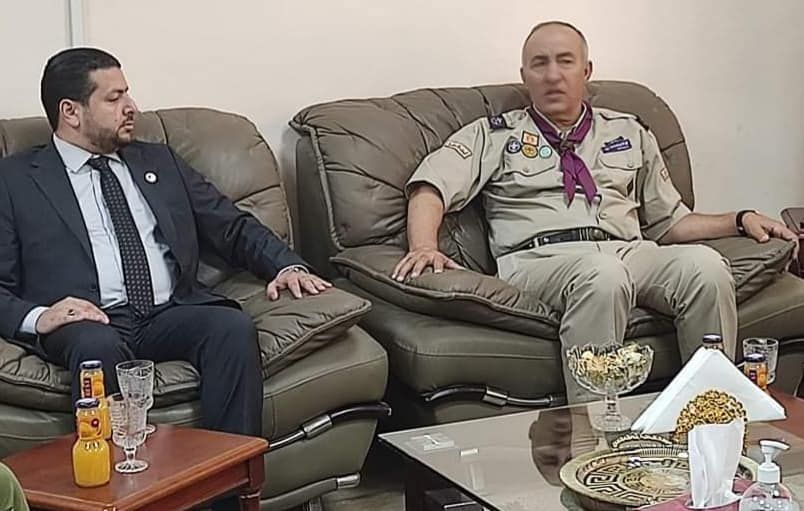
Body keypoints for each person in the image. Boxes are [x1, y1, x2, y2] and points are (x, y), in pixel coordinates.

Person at [392, 21, 797, 403]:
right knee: (603, 275)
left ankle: (708, 416)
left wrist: (739, 219)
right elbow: (430, 187)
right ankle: (595, 432)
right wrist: (424, 245)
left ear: (586, 70)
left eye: (565, 61)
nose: (553, 75)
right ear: (524, 76)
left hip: (628, 251)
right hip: (539, 260)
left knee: (705, 267)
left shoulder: (629, 131)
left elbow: (670, 222)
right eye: (540, 64)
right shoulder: (496, 134)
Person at [0, 48, 331, 442]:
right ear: (70, 112)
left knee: (231, 327)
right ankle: (119, 478)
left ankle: (232, 474)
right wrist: (39, 317)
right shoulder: (15, 180)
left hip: (167, 312)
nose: (131, 107)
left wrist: (286, 265)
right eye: (114, 98)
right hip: (89, 323)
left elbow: (230, 224)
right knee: (95, 347)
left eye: (127, 93)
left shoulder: (157, 160)